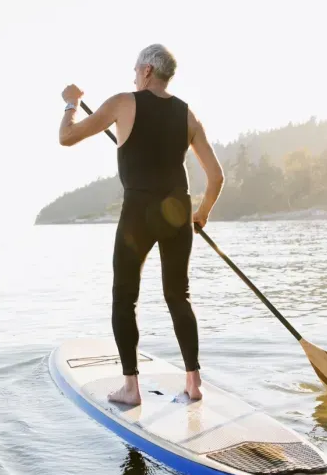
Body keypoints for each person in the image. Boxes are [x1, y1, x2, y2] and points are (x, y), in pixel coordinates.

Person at [59, 44, 224, 405]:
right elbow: (216, 176)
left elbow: (67, 137)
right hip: (178, 211)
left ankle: (131, 388)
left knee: (124, 297)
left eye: (135, 70)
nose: (133, 76)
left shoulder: (123, 103)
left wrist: (71, 103)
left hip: (138, 212)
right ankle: (194, 383)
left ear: (148, 70)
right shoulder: (187, 115)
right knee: (179, 296)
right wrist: (202, 213)